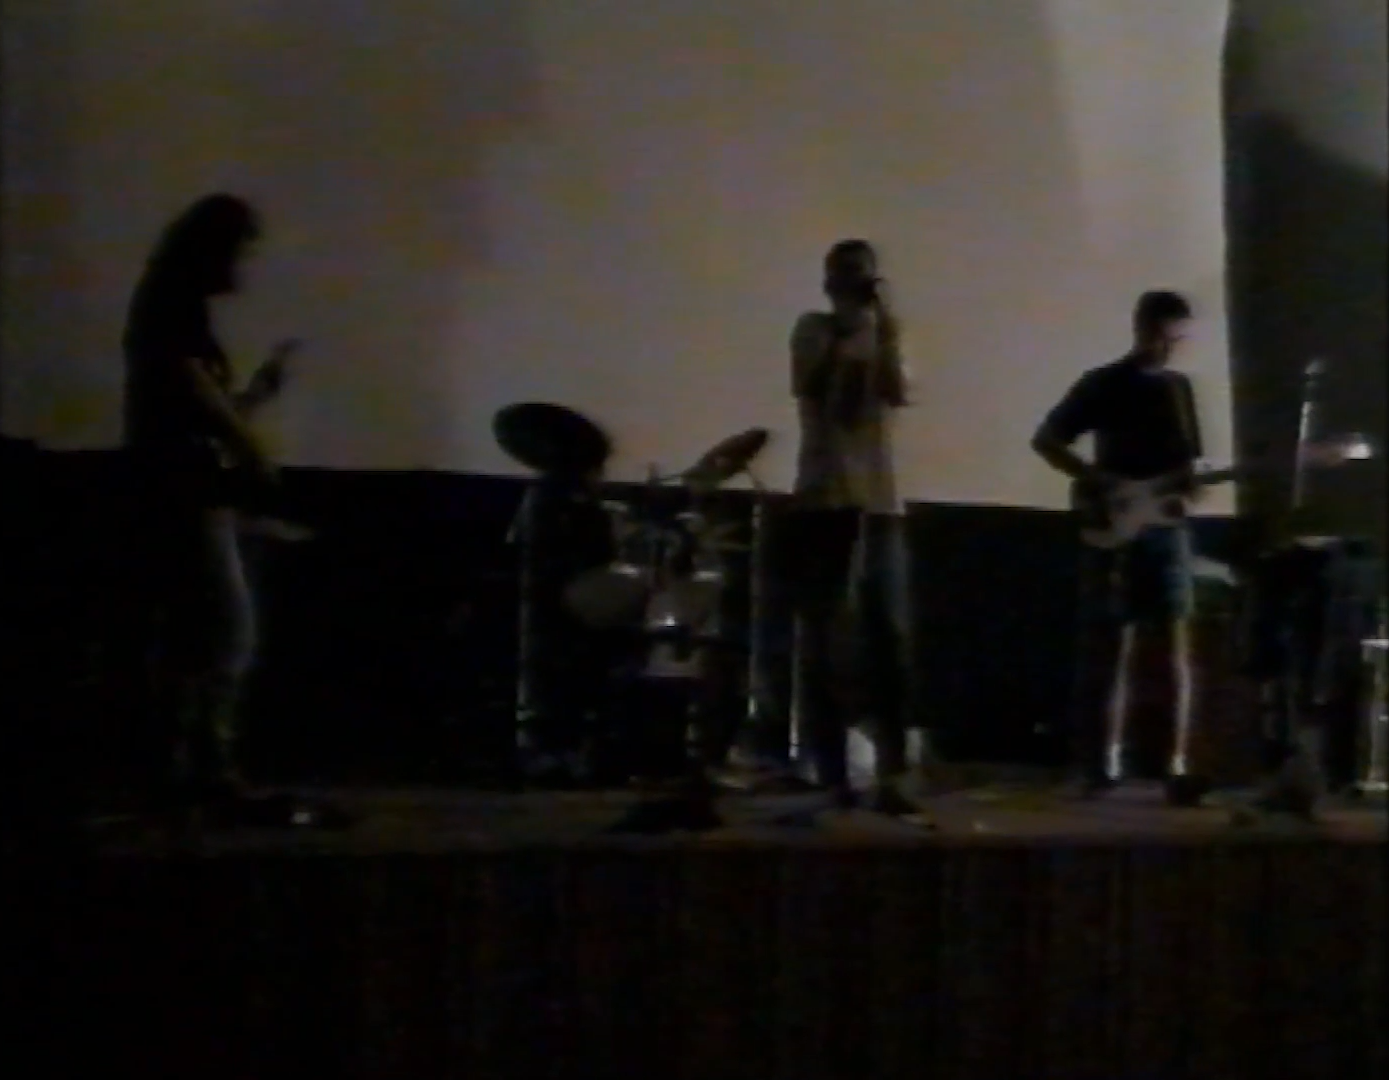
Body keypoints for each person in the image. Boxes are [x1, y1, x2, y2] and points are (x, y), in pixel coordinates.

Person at [123, 194, 299, 820]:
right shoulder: (172, 308)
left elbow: (203, 410)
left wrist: (256, 396)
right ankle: (206, 771)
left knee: (197, 635)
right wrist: (253, 451)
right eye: (242, 252)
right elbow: (198, 399)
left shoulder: (172, 308)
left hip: (189, 486)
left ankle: (183, 770)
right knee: (226, 632)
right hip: (182, 490)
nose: (246, 267)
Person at [1032, 289, 1208, 802]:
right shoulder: (1104, 383)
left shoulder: (1178, 389)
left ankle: (1174, 765)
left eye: (1175, 339)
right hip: (1115, 528)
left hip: (1166, 528)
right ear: (1141, 328)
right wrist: (1097, 480)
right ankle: (1099, 764)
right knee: (1111, 646)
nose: (1167, 348)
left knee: (1173, 647)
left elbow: (1189, 466)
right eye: (1161, 336)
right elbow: (1048, 439)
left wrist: (1189, 488)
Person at [785, 238, 924, 818]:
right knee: (829, 636)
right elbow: (812, 383)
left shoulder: (885, 331)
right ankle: (832, 768)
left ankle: (893, 772)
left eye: (863, 274)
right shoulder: (813, 328)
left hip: (881, 502)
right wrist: (849, 327)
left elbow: (901, 391)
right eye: (845, 274)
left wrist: (885, 328)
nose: (856, 283)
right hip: (826, 498)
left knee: (890, 635)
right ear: (828, 282)